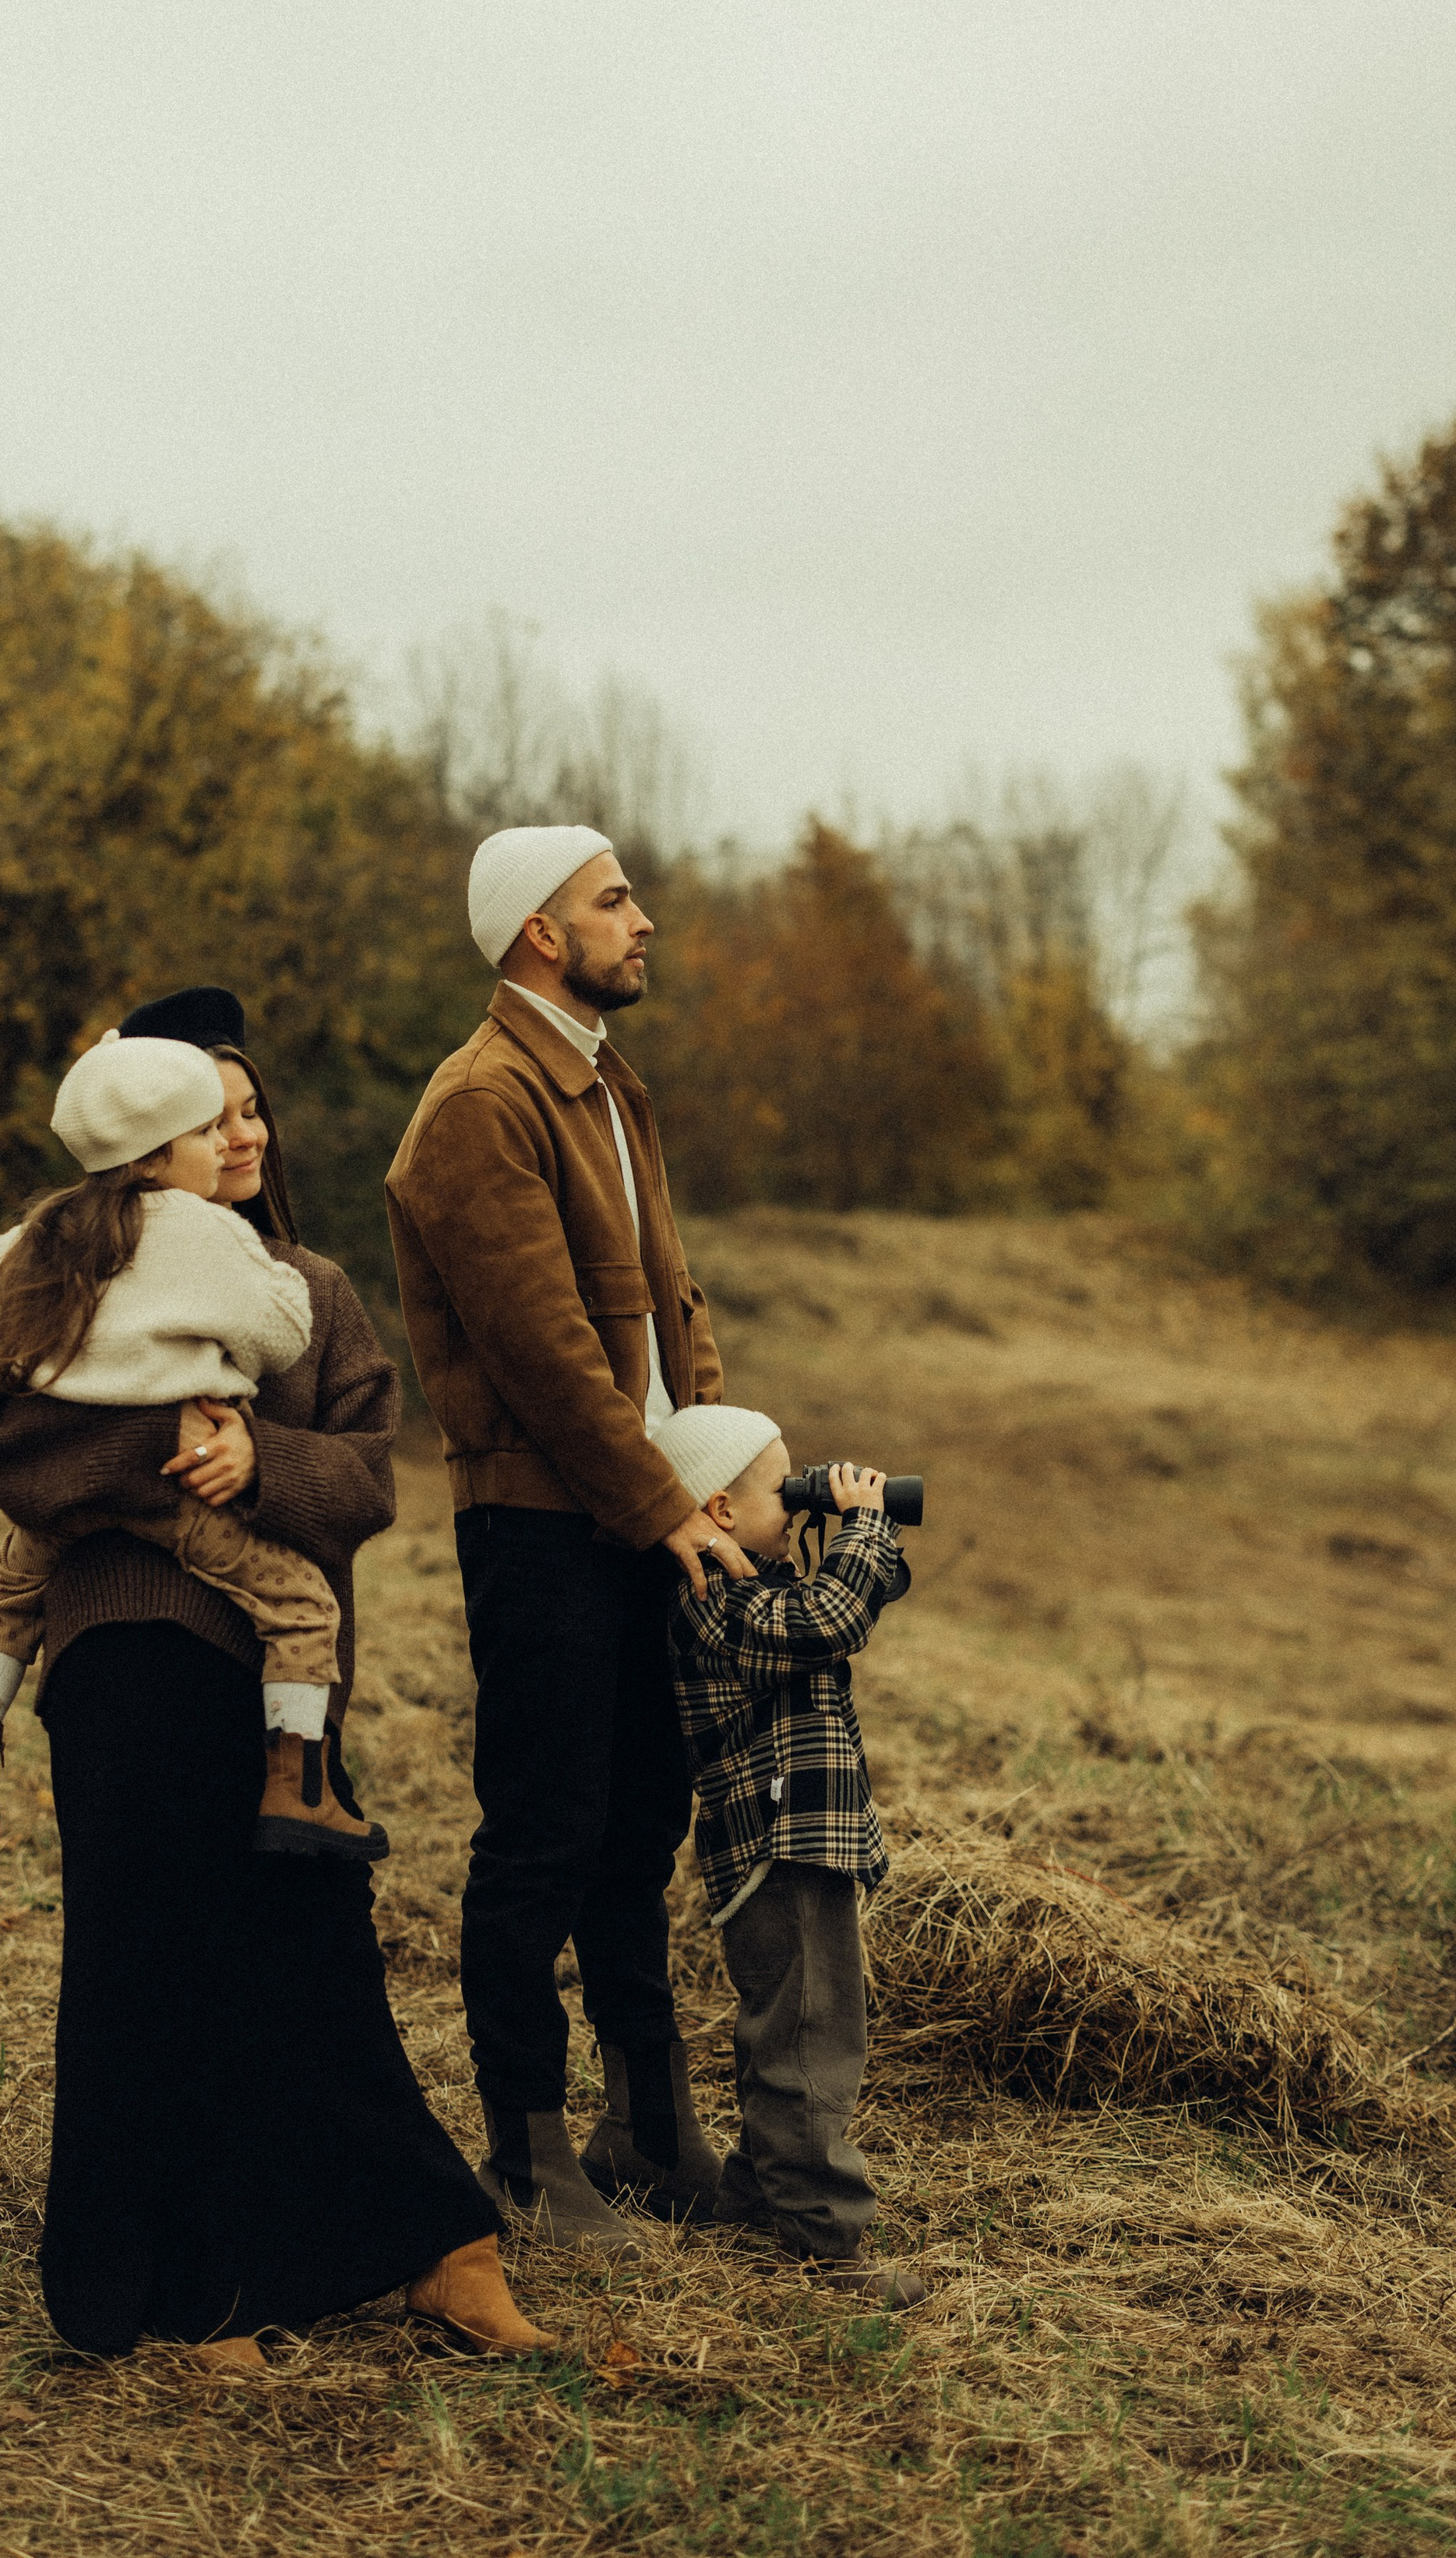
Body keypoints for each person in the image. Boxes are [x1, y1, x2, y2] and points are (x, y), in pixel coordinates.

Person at [0, 983, 550, 2364]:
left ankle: (431, 2248)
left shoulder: (310, 1296)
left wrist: (255, 1463)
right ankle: (181, 2289)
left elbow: (366, 1485)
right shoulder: (82, 1276)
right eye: (214, 1112)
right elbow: (15, 1445)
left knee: (314, 1965)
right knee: (145, 1970)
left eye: (254, 1105)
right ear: (157, 1143)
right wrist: (157, 1451)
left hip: (281, 1689)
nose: (244, 1129)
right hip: (127, 1658)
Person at [385, 824, 754, 2254]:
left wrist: (706, 1469)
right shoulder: (480, 1106)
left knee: (642, 1824)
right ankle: (530, 2161)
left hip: (653, 1518)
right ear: (542, 932)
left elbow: (676, 1303)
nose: (643, 922)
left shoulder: (610, 1086)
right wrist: (661, 1502)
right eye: (614, 902)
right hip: (549, 1526)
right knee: (542, 1834)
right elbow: (544, 1355)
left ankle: (650, 2133)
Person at [0, 1032, 374, 1866]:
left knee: (4, 1603)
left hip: (65, 1500)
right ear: (159, 1154)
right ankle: (297, 1790)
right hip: (178, 1491)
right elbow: (280, 1333)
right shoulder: (205, 1234)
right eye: (206, 1132)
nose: (225, 1146)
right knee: (300, 1607)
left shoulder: (52, 1229)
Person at [652, 1402, 927, 2307]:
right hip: (778, 1840)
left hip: (797, 1838)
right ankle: (824, 2237)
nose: (802, 1493)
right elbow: (828, 1621)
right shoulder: (709, 1594)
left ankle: (756, 2197)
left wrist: (861, 1533)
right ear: (721, 1511)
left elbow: (853, 1599)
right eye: (785, 1485)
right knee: (811, 2037)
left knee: (789, 2027)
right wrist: (862, 1525)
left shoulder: (753, 1584)